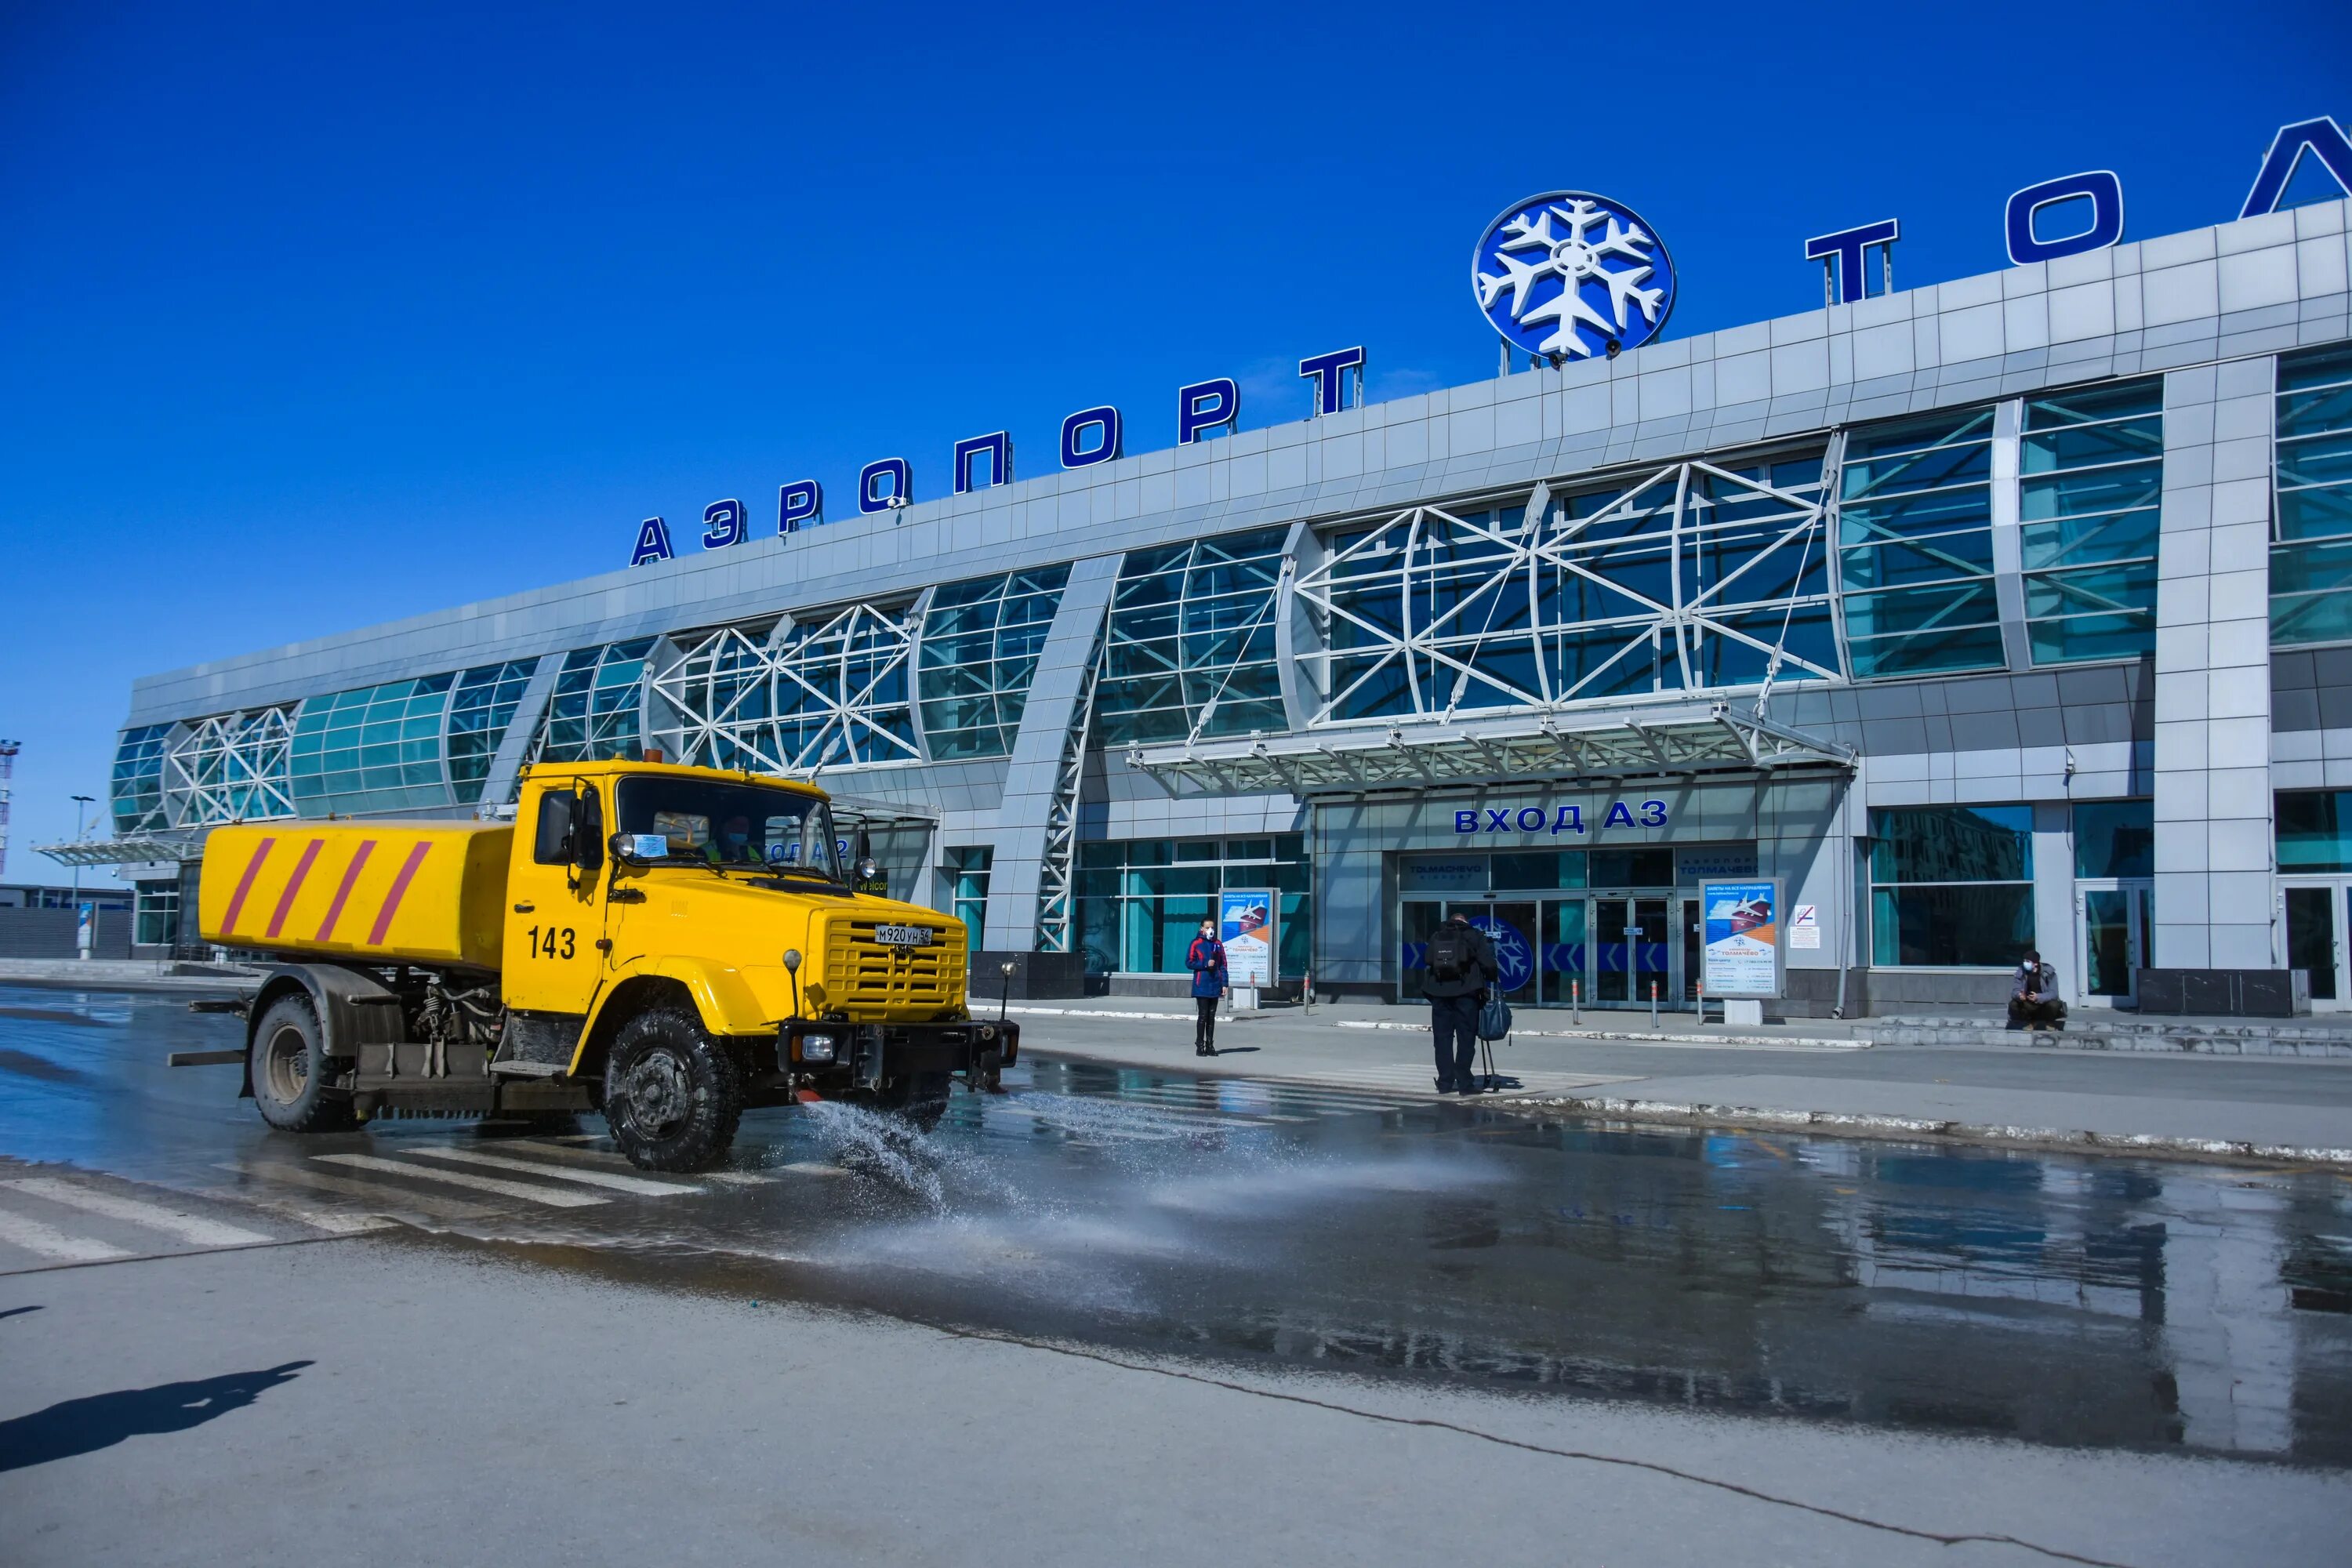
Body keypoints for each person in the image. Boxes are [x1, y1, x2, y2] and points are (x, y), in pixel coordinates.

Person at [1421, 913, 1500, 1094]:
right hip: (1467, 994)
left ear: (1451, 921)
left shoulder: (1437, 936)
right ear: (1465, 921)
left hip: (1439, 994)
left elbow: (1427, 959)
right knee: (1466, 1039)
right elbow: (1487, 963)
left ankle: (1445, 1083)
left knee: (1442, 1040)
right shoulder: (1475, 935)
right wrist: (1492, 979)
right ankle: (1465, 1083)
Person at [1185, 918, 1229, 1057]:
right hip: (1201, 984)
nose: (1211, 930)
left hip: (1215, 984)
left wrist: (1225, 984)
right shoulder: (1196, 943)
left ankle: (1210, 1045)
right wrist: (1205, 964)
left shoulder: (1218, 944)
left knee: (1212, 1016)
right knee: (1203, 1016)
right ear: (1202, 929)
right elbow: (1189, 962)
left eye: (1212, 927)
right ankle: (1200, 1045)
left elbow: (1223, 965)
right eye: (1208, 927)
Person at [2008, 949, 2067, 1030]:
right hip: (2028, 1002)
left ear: (2035, 963)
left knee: (2054, 1005)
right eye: (2024, 961)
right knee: (2013, 1004)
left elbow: (2054, 993)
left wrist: (2038, 997)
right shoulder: (2021, 972)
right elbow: (2015, 991)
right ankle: (2030, 1022)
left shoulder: (2048, 973)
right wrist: (2019, 995)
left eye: (2028, 961)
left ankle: (2050, 1022)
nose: (2025, 963)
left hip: (2044, 1002)